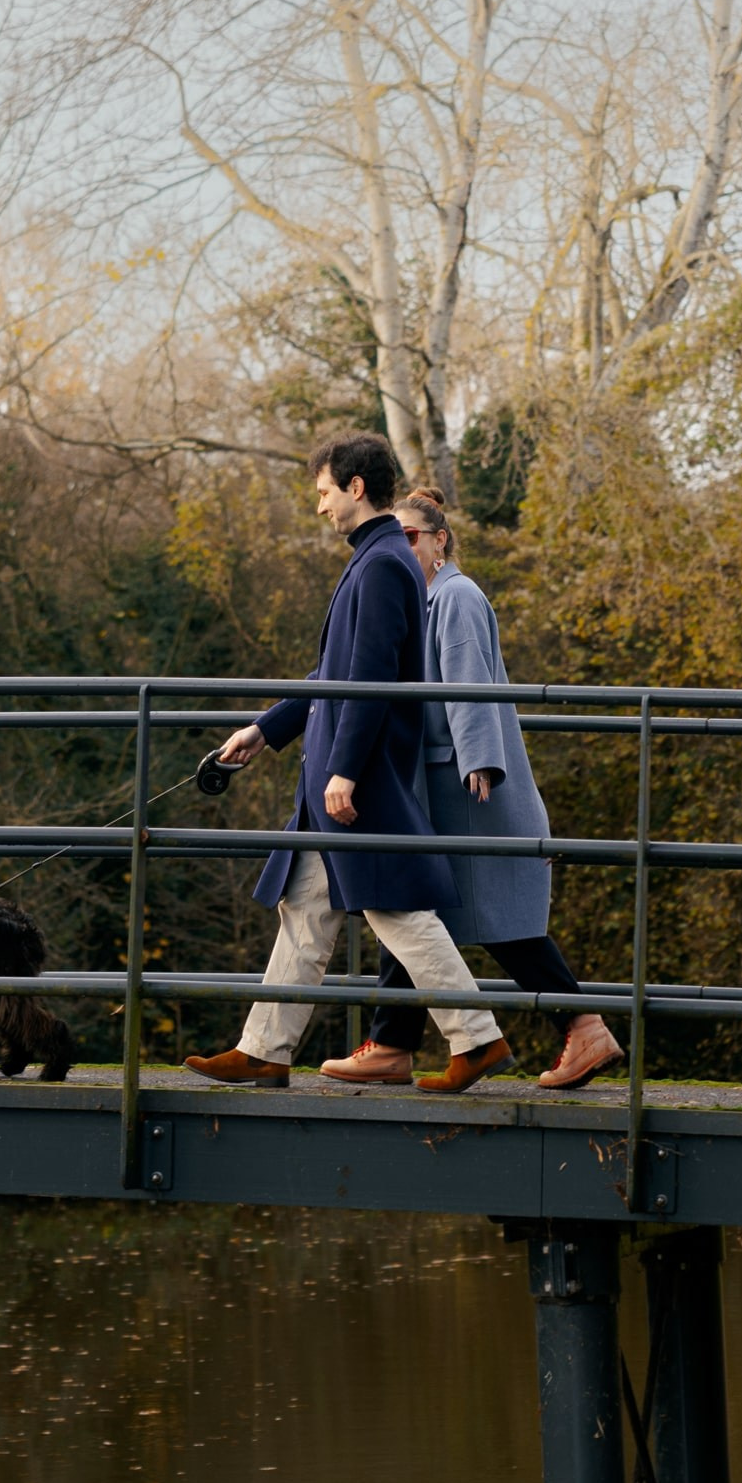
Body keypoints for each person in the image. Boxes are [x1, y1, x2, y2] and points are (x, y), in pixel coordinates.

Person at [183, 431, 514, 1095]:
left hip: (354, 780)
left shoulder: (385, 561)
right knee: (305, 907)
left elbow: (368, 678)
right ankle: (265, 1050)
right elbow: (334, 673)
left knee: (399, 913)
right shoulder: (379, 558)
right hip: (339, 772)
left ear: (355, 487)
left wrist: (344, 771)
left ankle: (477, 1039)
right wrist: (265, 728)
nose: (319, 507)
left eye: (324, 492)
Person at [321, 484, 622, 1092]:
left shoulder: (454, 595)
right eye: (395, 537)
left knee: (480, 920)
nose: (402, 548)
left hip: (469, 792)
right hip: (442, 788)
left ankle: (581, 1028)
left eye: (412, 537)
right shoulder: (421, 598)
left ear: (440, 540)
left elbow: (468, 679)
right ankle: (392, 1042)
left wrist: (480, 760)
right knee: (416, 907)